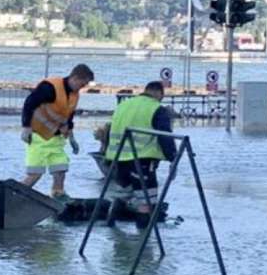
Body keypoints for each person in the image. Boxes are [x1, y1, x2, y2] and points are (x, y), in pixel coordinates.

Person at [105, 81, 177, 228]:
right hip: (141, 160)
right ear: (159, 93)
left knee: (123, 194)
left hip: (118, 158)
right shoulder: (156, 108)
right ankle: (143, 242)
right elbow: (165, 136)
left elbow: (109, 129)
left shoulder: (124, 105)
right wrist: (173, 157)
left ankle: (112, 232)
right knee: (146, 201)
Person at [20, 64, 95, 200]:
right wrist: (26, 127)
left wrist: (72, 137)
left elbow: (68, 117)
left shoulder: (74, 95)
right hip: (38, 136)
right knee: (35, 174)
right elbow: (29, 103)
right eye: (82, 84)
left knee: (60, 169)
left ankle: (58, 195)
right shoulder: (50, 87)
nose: (82, 87)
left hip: (56, 139)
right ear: (75, 78)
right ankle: (15, 197)